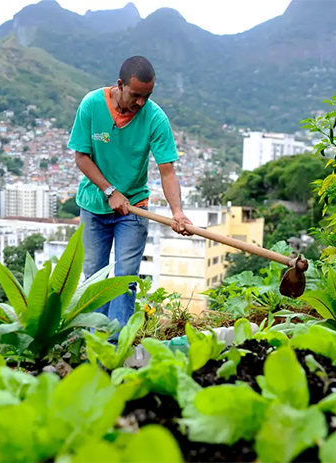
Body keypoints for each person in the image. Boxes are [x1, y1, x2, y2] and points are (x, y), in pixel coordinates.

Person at [67, 55, 192, 336]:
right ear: (120, 84)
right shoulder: (91, 105)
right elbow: (81, 156)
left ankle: (116, 344)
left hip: (134, 207)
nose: (141, 102)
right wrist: (110, 191)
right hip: (94, 206)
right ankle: (94, 341)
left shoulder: (155, 118)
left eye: (147, 95)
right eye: (136, 95)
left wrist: (177, 211)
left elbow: (167, 171)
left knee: (125, 278)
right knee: (95, 277)